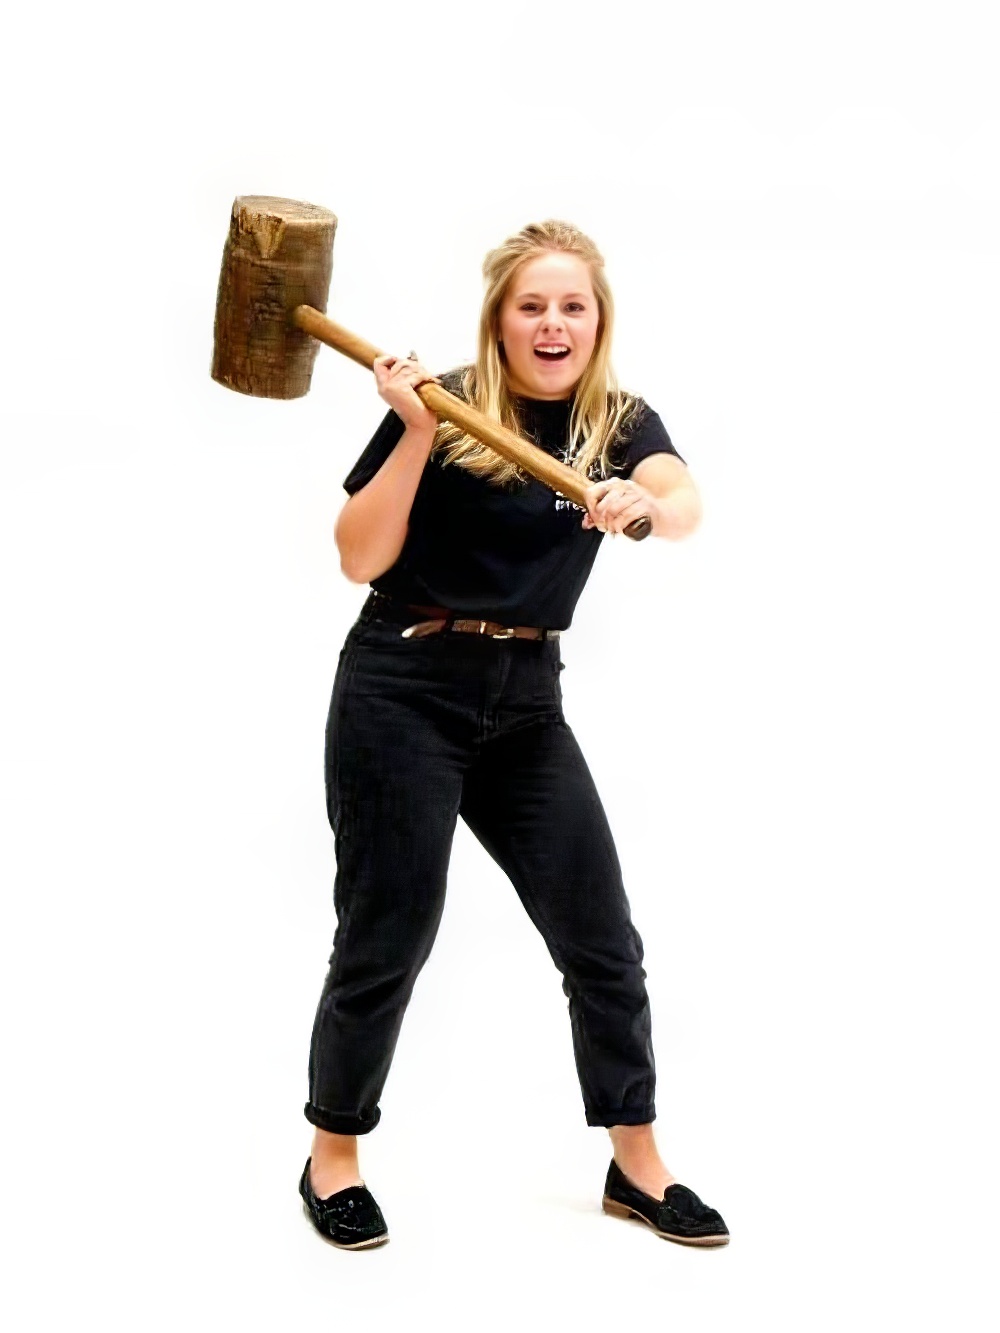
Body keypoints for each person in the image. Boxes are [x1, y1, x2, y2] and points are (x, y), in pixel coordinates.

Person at [297, 220, 729, 1250]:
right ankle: (332, 1157)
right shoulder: (443, 402)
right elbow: (357, 558)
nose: (551, 323)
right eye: (531, 305)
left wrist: (644, 500)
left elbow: (683, 502)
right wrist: (411, 431)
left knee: (601, 939)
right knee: (388, 933)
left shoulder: (616, 422)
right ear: (500, 319)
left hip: (527, 701)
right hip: (404, 684)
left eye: (571, 305)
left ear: (597, 321)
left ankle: (636, 1163)